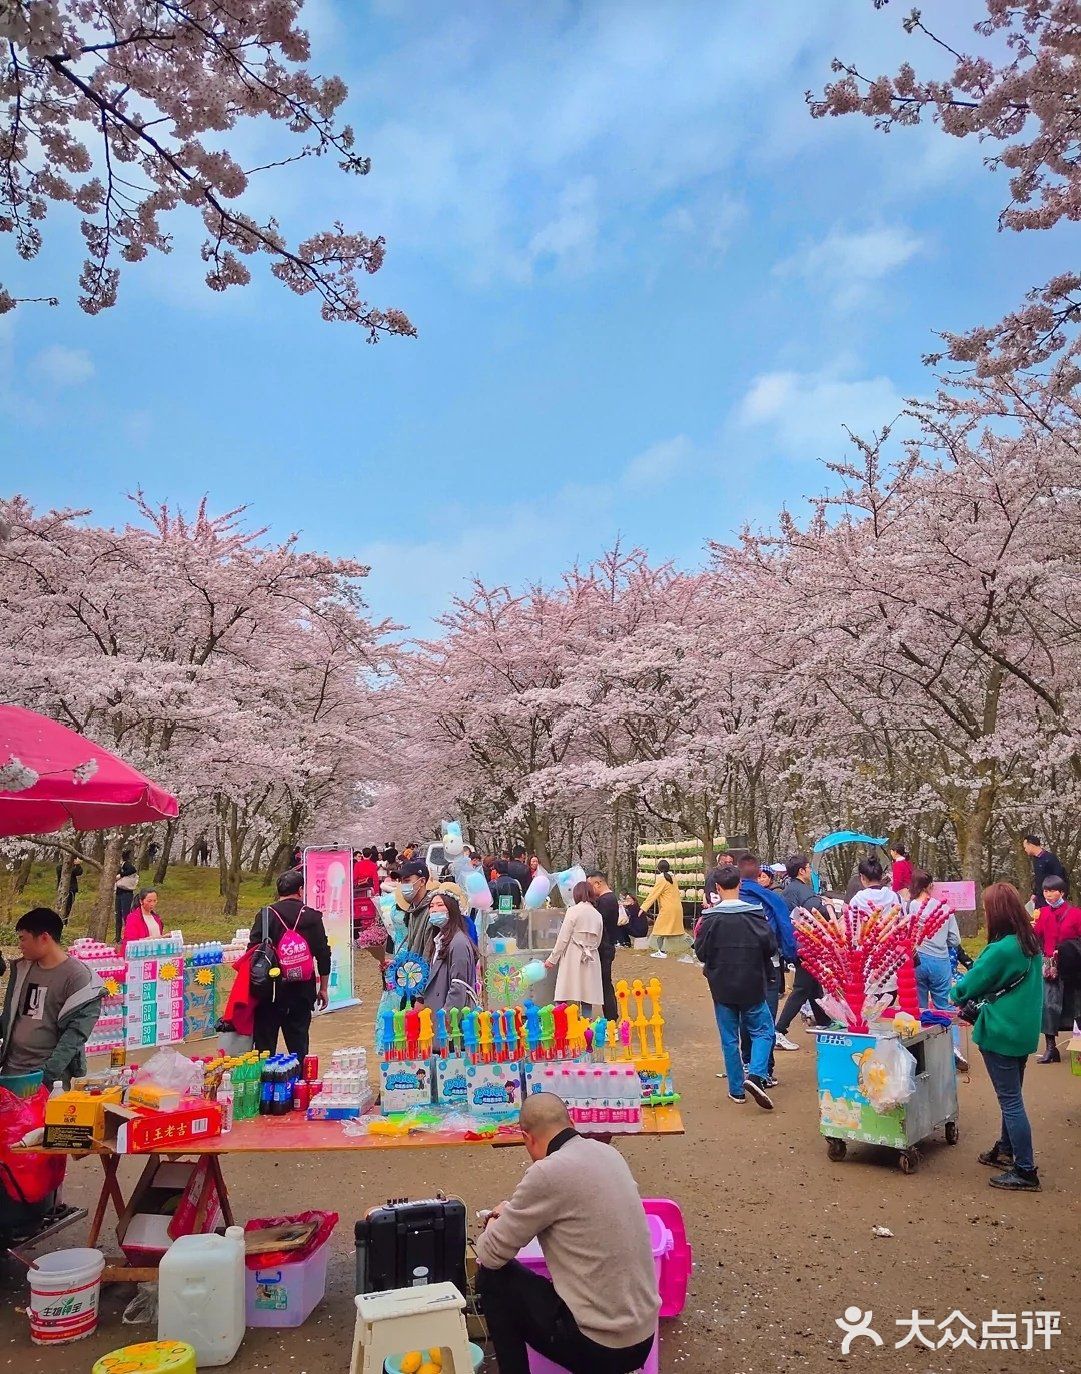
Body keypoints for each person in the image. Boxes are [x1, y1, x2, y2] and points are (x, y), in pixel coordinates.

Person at [474, 1093, 659, 1374]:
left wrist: (494, 1219)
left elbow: (490, 1254)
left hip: (602, 1347)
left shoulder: (546, 1172)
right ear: (570, 1122)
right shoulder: (609, 1154)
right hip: (643, 1335)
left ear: (527, 1137)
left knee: (493, 1278)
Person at [949, 882, 1043, 1191]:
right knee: (1013, 1095)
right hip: (1023, 1030)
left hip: (1001, 1030)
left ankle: (1026, 1170)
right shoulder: (1030, 942)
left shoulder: (1001, 949)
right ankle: (1006, 1149)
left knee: (1011, 1101)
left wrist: (955, 992)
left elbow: (970, 984)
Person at [693, 863, 776, 1109]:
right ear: (740, 883)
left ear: (717, 887)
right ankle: (756, 1075)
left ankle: (736, 1090)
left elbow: (701, 952)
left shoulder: (710, 919)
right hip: (752, 982)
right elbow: (770, 946)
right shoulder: (755, 914)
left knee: (729, 1038)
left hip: (721, 985)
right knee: (763, 1031)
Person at [0, 908, 104, 1087]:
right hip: (12, 1069)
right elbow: (9, 1018)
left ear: (44, 938)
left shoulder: (80, 979)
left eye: (23, 938)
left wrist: (47, 1076)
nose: (20, 945)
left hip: (47, 1076)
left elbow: (75, 1036)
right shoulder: (23, 970)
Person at [247, 869, 331, 1062]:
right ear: (300, 890)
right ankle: (300, 1085)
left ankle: (267, 1088)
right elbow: (323, 954)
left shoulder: (266, 915)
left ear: (279, 892)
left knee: (264, 1047)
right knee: (299, 1043)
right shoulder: (312, 917)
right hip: (302, 990)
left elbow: (252, 952)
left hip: (270, 991)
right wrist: (323, 988)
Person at [738, 854, 796, 1079]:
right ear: (759, 875)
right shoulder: (772, 898)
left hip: (738, 966)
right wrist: (790, 955)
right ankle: (765, 1070)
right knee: (766, 1017)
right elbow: (785, 926)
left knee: (744, 1013)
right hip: (769, 964)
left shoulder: (730, 900)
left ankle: (746, 1061)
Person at [908, 869, 968, 1070]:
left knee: (920, 1007)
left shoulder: (911, 907)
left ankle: (923, 1053)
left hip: (917, 961)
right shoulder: (944, 908)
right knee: (945, 1007)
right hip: (940, 961)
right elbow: (955, 940)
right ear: (930, 886)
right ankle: (953, 1050)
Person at [774, 853, 831, 1046]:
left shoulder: (789, 890)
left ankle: (825, 1022)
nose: (810, 871)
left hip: (795, 943)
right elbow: (818, 911)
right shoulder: (803, 891)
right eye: (808, 867)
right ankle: (779, 1029)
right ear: (801, 871)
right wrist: (828, 905)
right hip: (806, 944)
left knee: (813, 985)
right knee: (801, 988)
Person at [1032, 874, 1081, 1063]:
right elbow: (1036, 938)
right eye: (1045, 891)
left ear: (1062, 892)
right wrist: (1032, 928)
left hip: (1072, 967)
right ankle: (1051, 1049)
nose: (1048, 894)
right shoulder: (1042, 913)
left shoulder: (1076, 913)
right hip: (1050, 966)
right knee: (1048, 1006)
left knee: (1077, 1004)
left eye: (1052, 890)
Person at [545, 881, 603, 1013]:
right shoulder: (597, 915)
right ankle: (586, 1025)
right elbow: (598, 940)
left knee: (564, 991)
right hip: (591, 955)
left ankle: (561, 1022)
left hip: (573, 954)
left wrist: (552, 959)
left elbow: (563, 938)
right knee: (587, 995)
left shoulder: (573, 911)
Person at [419, 892, 478, 1013]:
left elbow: (458, 985)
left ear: (452, 909)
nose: (435, 910)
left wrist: (447, 1018)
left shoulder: (458, 942)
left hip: (450, 1018)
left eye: (440, 905)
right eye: (431, 906)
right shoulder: (439, 940)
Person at [587, 869, 620, 1021]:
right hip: (606, 945)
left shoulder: (606, 901)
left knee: (605, 984)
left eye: (590, 885)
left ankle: (611, 1018)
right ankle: (610, 1016)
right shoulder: (609, 899)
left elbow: (597, 922)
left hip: (604, 947)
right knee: (604, 983)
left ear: (598, 883)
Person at [639, 859, 686, 959]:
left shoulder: (661, 879)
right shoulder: (673, 878)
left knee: (658, 930)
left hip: (667, 909)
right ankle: (694, 949)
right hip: (677, 908)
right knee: (677, 932)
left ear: (658, 869)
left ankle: (661, 952)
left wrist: (643, 908)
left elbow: (653, 894)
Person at [351, 847, 387, 974]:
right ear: (371, 855)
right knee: (369, 914)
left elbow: (354, 879)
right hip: (369, 891)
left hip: (358, 892)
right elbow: (375, 879)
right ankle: (368, 936)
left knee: (357, 911)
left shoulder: (357, 865)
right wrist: (377, 892)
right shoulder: (372, 865)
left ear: (362, 855)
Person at [397, 859, 438, 965]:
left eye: (407, 881)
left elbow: (429, 952)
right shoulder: (412, 910)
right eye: (401, 881)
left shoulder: (433, 909)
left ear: (422, 881)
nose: (403, 885)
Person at [1022, 833, 1068, 906]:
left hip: (1051, 898)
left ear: (1030, 844)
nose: (1025, 850)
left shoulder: (1050, 858)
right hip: (1040, 898)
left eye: (1025, 847)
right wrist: (1035, 893)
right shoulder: (1035, 860)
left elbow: (1060, 878)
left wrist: (1059, 897)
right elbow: (1038, 878)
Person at [122, 886, 164, 953]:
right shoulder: (133, 918)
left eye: (155, 901)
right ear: (141, 901)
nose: (152, 904)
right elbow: (130, 941)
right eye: (149, 901)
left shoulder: (156, 918)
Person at [113, 849, 138, 943]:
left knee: (125, 915)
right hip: (119, 893)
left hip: (126, 893)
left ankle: (127, 936)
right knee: (118, 915)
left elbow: (133, 870)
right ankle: (118, 937)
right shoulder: (119, 865)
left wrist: (121, 875)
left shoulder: (126, 864)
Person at [54, 858, 83, 922]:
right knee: (61, 905)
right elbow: (68, 871)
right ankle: (59, 920)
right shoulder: (60, 867)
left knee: (69, 907)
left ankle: (65, 921)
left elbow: (79, 872)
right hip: (63, 890)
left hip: (72, 890)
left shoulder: (73, 868)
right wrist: (76, 864)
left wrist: (78, 865)